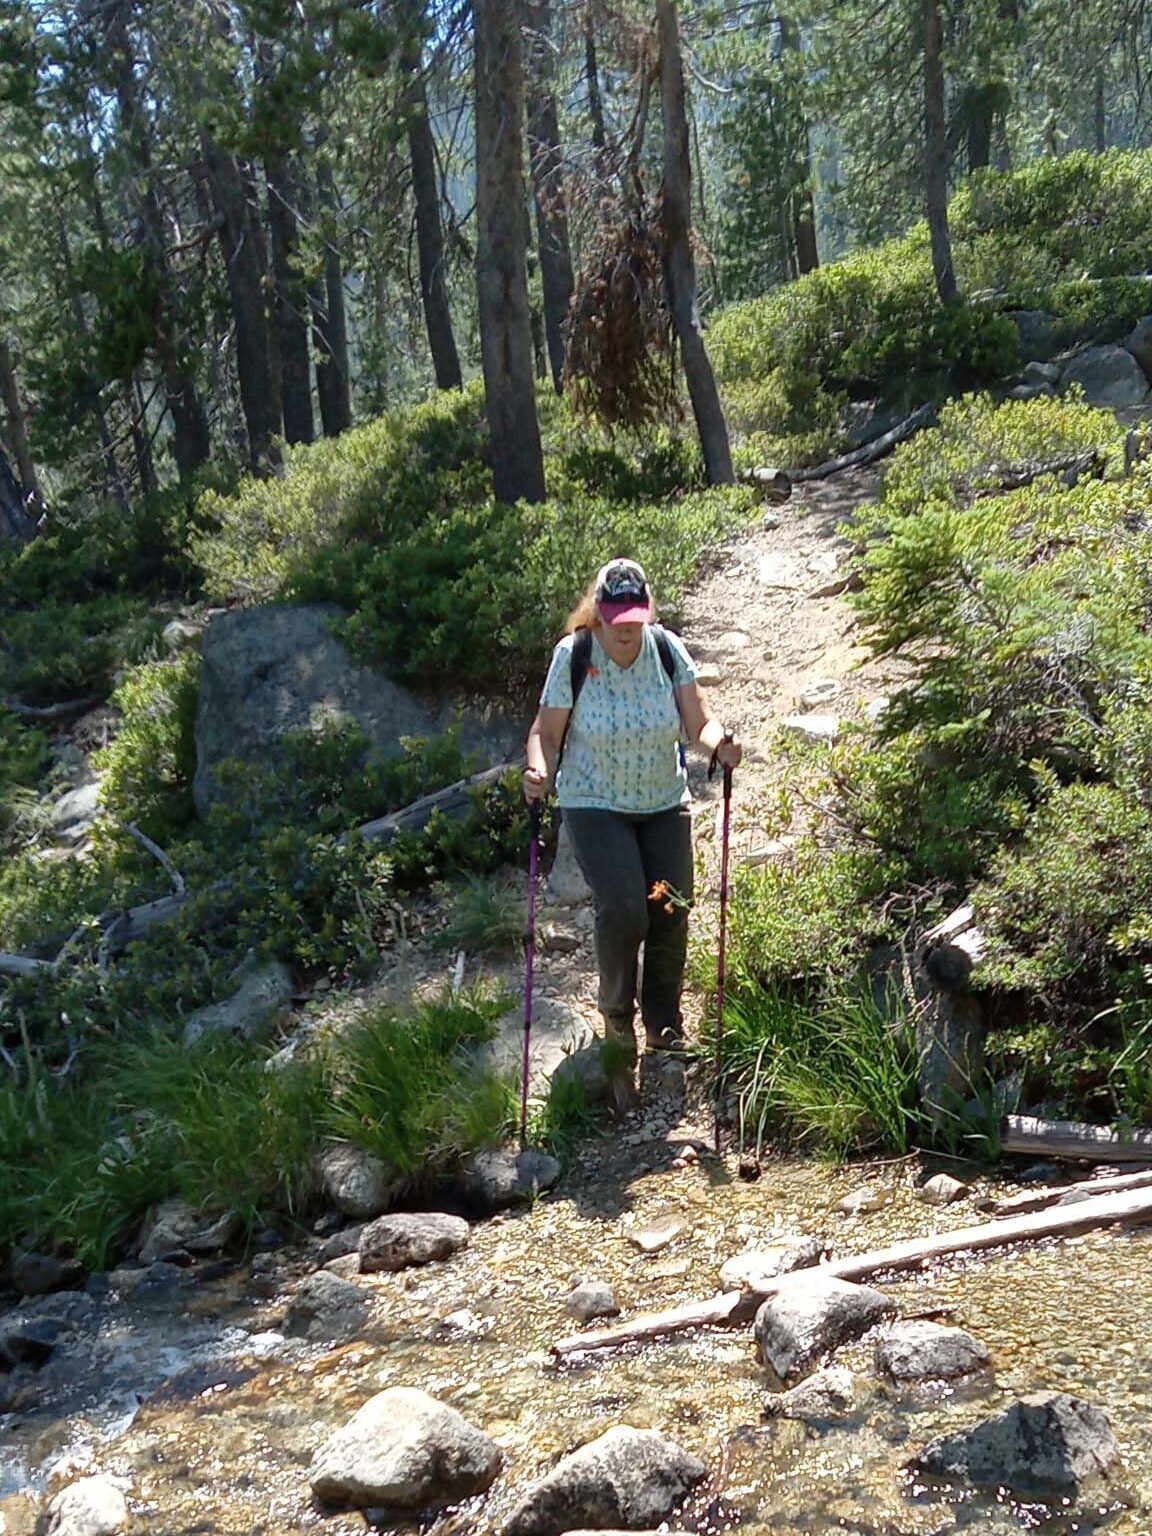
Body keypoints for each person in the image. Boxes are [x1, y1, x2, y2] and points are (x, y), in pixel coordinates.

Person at [524, 557, 742, 1061]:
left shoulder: (666, 649)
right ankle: (617, 1019)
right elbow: (546, 733)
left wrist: (719, 745)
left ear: (646, 613)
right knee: (624, 908)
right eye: (616, 619)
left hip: (663, 800)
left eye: (635, 619)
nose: (626, 630)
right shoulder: (573, 655)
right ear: (598, 613)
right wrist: (538, 770)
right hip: (593, 801)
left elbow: (698, 721)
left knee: (670, 908)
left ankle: (663, 1024)